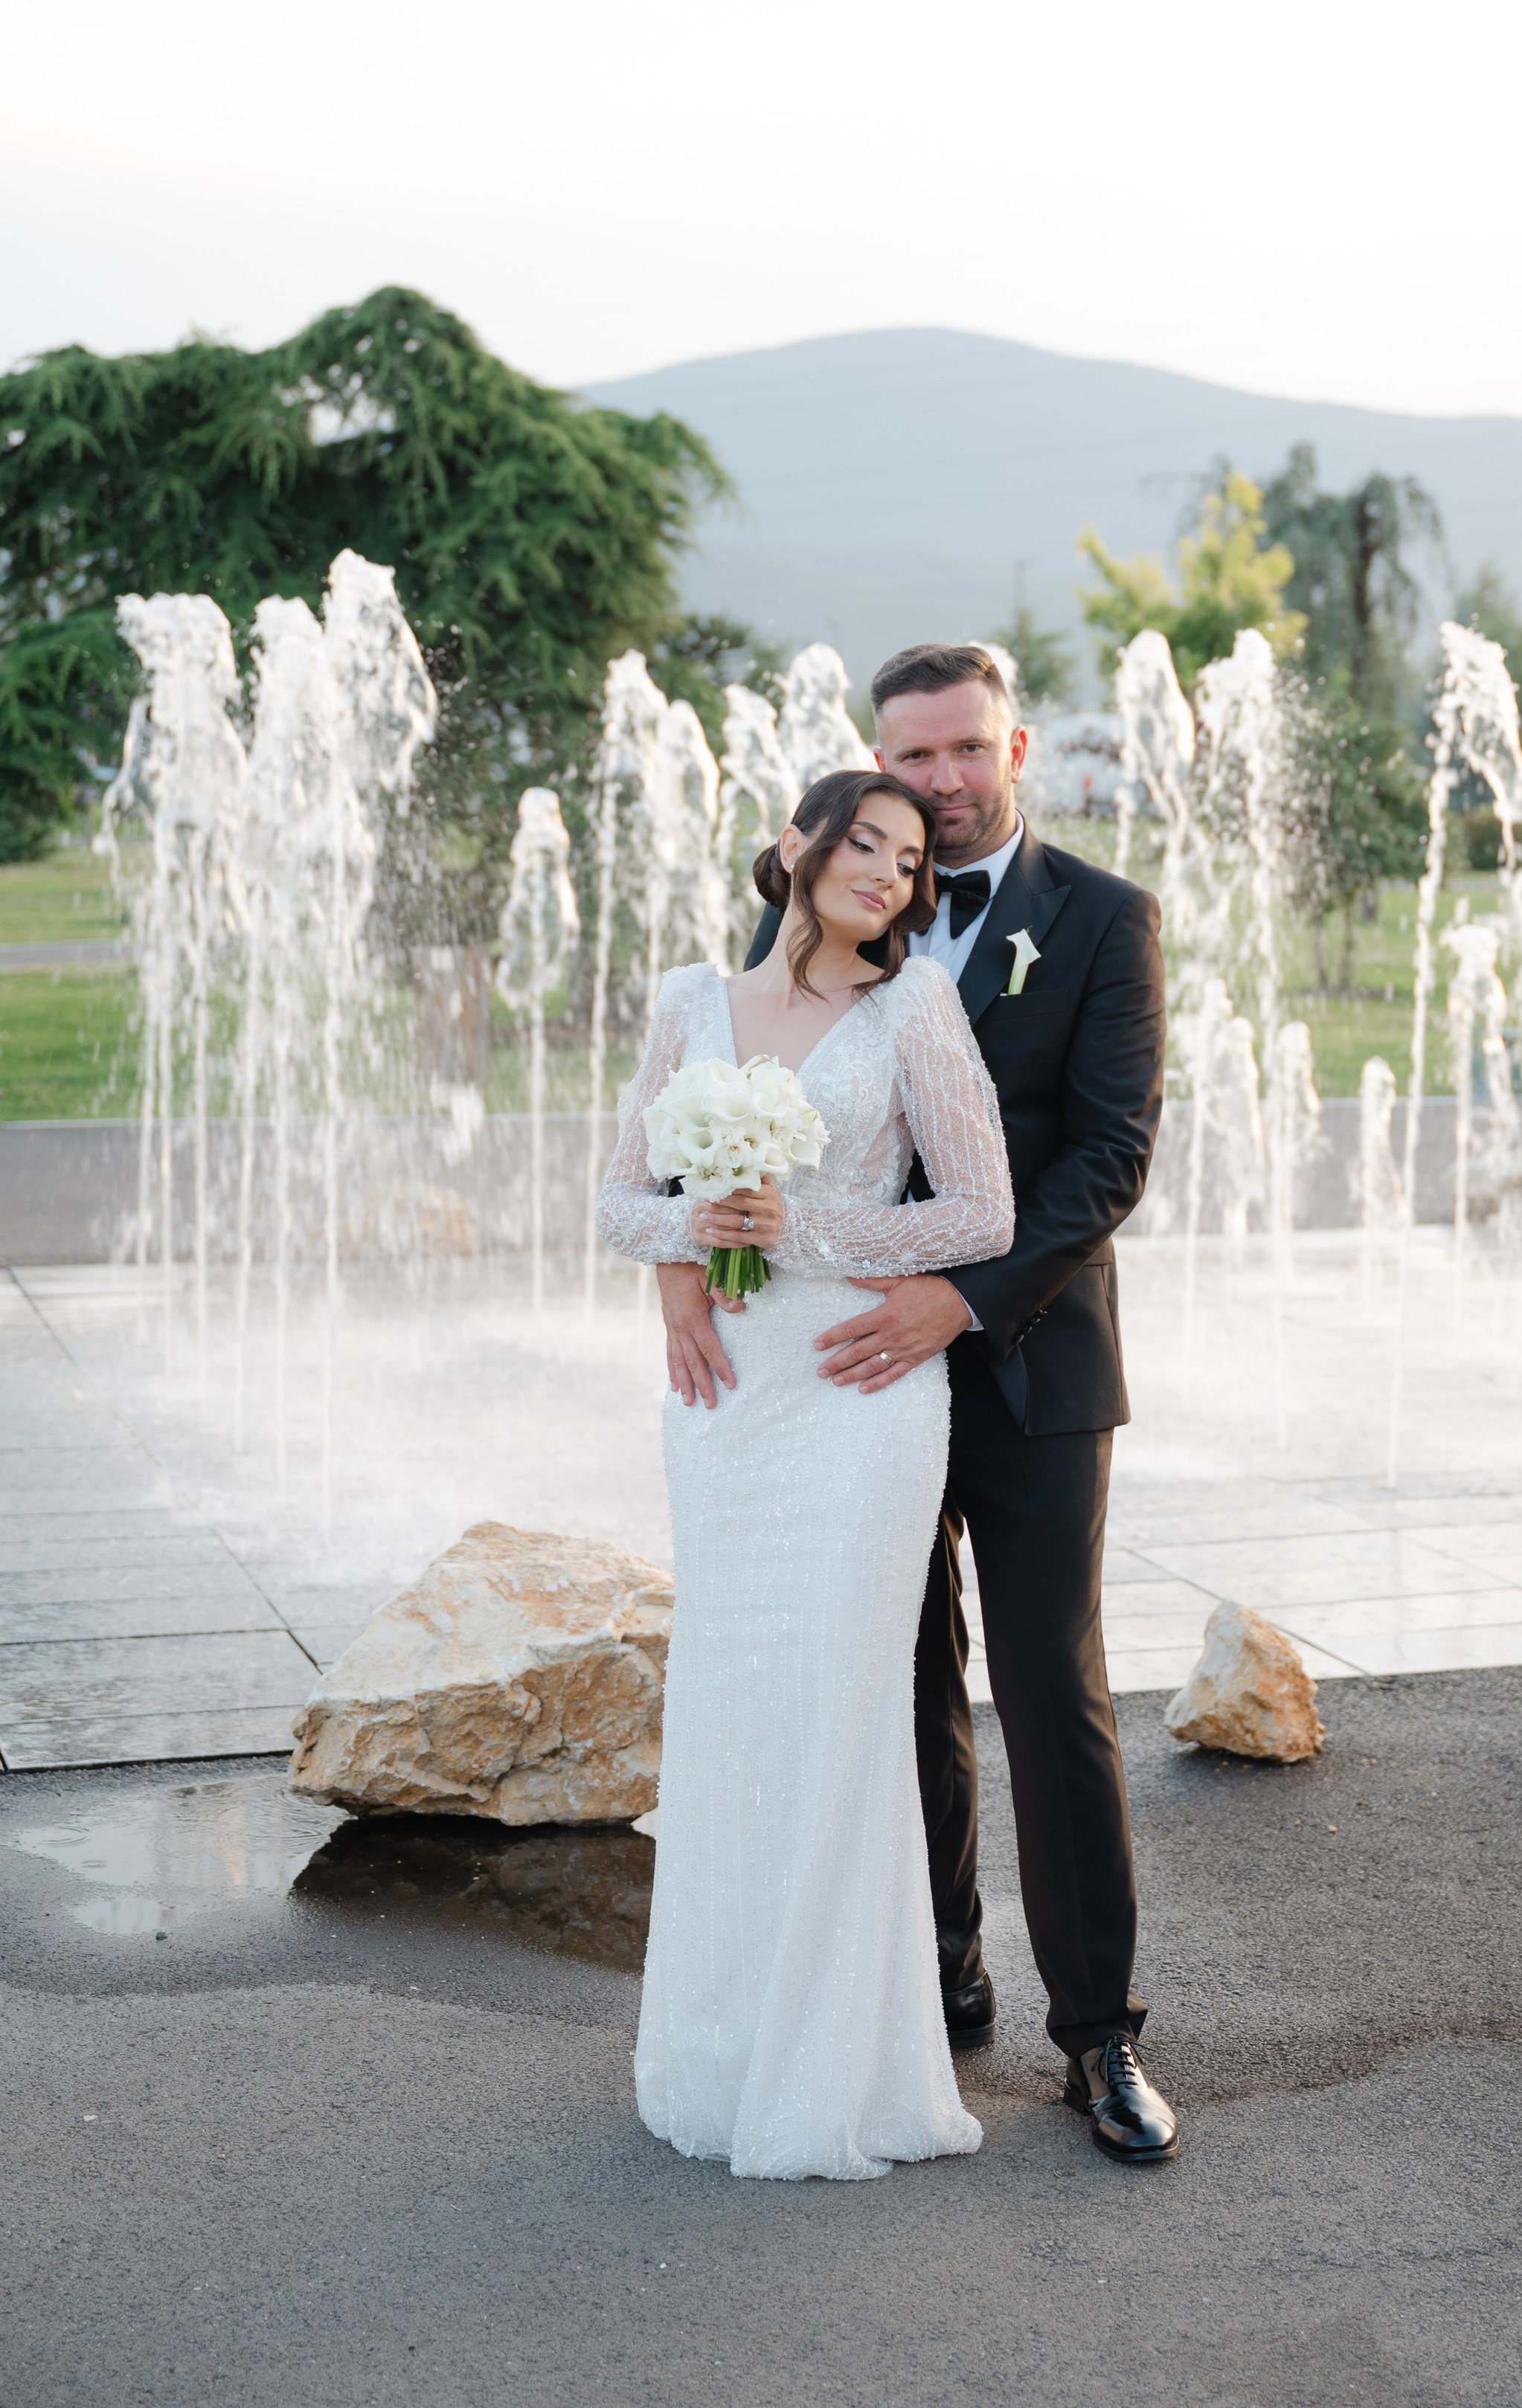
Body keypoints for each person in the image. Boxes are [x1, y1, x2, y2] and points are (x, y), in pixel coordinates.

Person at [661, 643, 1178, 2166]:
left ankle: (1097, 2039)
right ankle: (927, 1980)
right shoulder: (825, 883)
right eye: (912, 754)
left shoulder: (1100, 919)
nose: (939, 782)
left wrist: (959, 1298)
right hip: (831, 1381)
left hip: (1022, 1359)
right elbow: (719, 1110)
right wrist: (685, 1279)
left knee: (1043, 1685)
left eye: (962, 750)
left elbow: (1107, 1154)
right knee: (885, 1682)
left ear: (1014, 745)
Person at [597, 766, 1015, 2182]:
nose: (890, 874)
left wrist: (807, 1228)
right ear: (797, 848)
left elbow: (983, 1208)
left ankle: (844, 2070)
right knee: (733, 1705)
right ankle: (720, 2053)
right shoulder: (686, 1006)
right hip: (729, 1404)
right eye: (867, 844)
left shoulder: (915, 1011)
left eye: (910, 862)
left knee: (841, 1706)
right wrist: (686, 1239)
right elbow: (611, 1201)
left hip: (862, 1393)